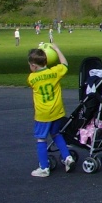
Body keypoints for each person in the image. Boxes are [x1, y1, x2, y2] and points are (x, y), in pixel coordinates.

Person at [27, 43, 75, 177]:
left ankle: (44, 167)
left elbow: (36, 78)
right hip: (57, 111)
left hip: (43, 114)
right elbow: (65, 64)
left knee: (41, 139)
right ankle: (67, 157)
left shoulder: (32, 78)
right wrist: (57, 49)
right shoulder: (55, 73)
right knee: (56, 134)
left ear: (34, 66)